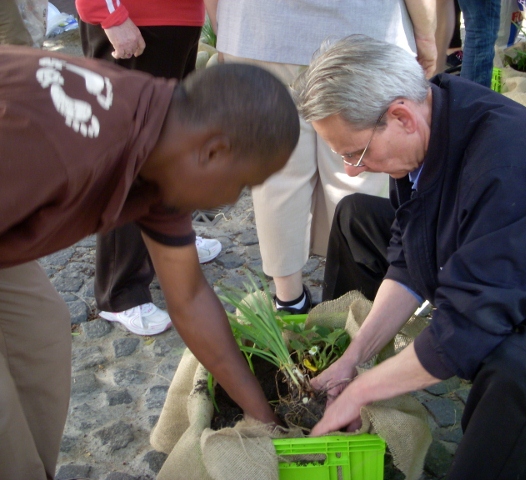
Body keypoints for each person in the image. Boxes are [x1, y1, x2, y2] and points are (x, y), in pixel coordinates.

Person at [292, 35, 526, 479]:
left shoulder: (499, 159)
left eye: (355, 153)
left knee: (515, 367)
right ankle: (346, 377)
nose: (351, 169)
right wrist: (355, 358)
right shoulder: (432, 114)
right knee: (356, 216)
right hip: (514, 255)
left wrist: (364, 391)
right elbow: (411, 252)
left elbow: (474, 323)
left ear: (401, 116)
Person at [0, 45, 299, 479]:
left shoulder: (164, 148)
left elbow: (189, 297)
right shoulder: (65, 153)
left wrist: (267, 420)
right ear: (213, 152)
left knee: (40, 336)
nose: (232, 200)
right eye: (242, 184)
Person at [207, 0, 436, 315]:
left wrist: (224, 23)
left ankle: (289, 299)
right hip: (361, 27)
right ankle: (357, 303)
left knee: (276, 172)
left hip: (257, 27)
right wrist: (426, 35)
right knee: (358, 168)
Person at [76, 0, 223, 335]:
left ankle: (170, 243)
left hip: (178, 21)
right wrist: (110, 15)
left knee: (171, 146)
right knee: (131, 156)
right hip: (135, 22)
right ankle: (120, 291)